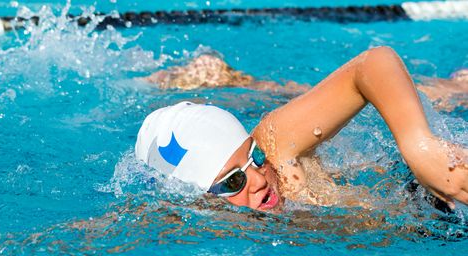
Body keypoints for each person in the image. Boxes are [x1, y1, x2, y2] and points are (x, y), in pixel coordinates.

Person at [136, 46, 468, 212]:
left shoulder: (276, 149)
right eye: (233, 181)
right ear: (198, 201)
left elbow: (373, 64)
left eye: (254, 157)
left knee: (452, 95)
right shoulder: (195, 220)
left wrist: (421, 149)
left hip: (404, 177)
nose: (257, 178)